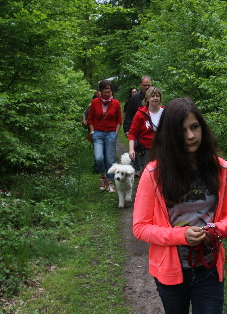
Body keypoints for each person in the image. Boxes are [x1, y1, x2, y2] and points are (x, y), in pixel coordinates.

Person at [133, 97, 227, 314]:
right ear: (170, 135)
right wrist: (180, 236)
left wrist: (215, 230)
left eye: (194, 127)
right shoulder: (154, 174)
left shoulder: (221, 169)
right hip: (170, 271)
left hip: (210, 268)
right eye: (182, 131)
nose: (190, 136)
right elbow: (140, 227)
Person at [88, 79, 122, 192]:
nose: (107, 91)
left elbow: (119, 119)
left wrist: (116, 133)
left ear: (111, 90)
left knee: (110, 159)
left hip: (111, 133)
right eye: (104, 88)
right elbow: (90, 118)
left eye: (109, 88)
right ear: (101, 90)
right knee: (98, 158)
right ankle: (103, 177)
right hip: (98, 133)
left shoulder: (116, 103)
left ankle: (110, 182)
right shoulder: (95, 102)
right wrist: (92, 132)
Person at [128, 86, 164, 172]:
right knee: (147, 173)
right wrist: (131, 149)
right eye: (152, 96)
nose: (155, 98)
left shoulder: (165, 112)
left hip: (162, 148)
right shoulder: (140, 114)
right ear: (147, 98)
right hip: (146, 150)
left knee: (162, 173)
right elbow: (133, 133)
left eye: (157, 96)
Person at [82, 90, 101, 173]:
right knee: (96, 148)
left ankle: (102, 165)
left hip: (102, 129)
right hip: (93, 129)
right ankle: (97, 167)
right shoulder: (90, 105)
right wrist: (84, 121)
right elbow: (84, 114)